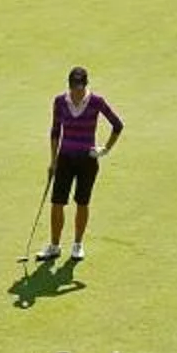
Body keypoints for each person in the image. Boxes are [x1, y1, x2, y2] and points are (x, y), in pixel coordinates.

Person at [42, 65, 124, 263]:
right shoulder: (60, 102)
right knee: (57, 202)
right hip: (64, 158)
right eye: (73, 88)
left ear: (85, 85)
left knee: (82, 202)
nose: (76, 93)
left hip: (87, 160)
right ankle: (54, 246)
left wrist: (104, 149)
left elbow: (117, 125)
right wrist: (53, 161)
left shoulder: (96, 102)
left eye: (79, 88)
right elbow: (55, 132)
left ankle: (77, 245)